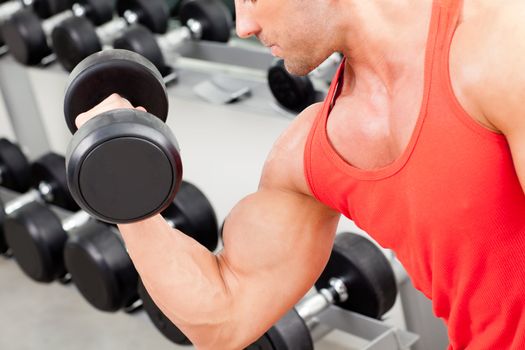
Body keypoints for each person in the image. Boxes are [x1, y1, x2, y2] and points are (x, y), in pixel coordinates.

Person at [75, 0, 525, 349]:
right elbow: (225, 317)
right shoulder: (311, 153)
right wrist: (123, 182)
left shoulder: (498, 45)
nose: (242, 26)